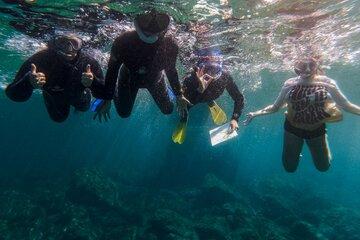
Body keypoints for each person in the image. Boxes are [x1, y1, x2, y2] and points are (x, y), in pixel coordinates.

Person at [244, 57, 360, 172]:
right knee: (289, 168)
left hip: (316, 130)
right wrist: (255, 113)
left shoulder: (328, 83)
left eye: (312, 65)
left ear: (317, 66)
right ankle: (296, 151)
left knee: (323, 167)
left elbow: (347, 106)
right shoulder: (289, 83)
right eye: (303, 66)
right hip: (292, 128)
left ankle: (322, 148)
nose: (308, 70)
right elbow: (275, 107)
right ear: (296, 67)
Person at [93, 10, 189, 122]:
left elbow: (171, 70)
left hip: (155, 79)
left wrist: (179, 95)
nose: (151, 27)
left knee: (168, 109)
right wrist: (107, 97)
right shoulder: (123, 41)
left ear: (166, 26)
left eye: (160, 20)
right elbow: (112, 70)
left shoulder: (170, 45)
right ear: (137, 19)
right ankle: (114, 90)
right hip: (127, 79)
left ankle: (168, 90)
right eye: (146, 19)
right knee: (123, 113)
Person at [5, 34, 105, 122]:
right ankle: (47, 94)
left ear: (80, 45)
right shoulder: (39, 59)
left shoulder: (88, 62)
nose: (69, 48)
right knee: (58, 118)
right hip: (54, 95)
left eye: (74, 43)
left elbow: (104, 91)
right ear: (55, 43)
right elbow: (12, 94)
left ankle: (85, 93)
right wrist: (28, 82)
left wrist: (93, 82)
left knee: (83, 108)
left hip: (78, 94)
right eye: (62, 42)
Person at [172, 49, 245, 144]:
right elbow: (185, 102)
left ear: (220, 70)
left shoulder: (225, 77)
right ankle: (184, 118)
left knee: (208, 94)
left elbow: (239, 98)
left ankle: (209, 101)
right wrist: (199, 90)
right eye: (206, 70)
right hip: (193, 98)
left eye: (214, 70)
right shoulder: (191, 79)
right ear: (199, 69)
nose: (209, 76)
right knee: (184, 107)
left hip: (210, 96)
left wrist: (235, 119)